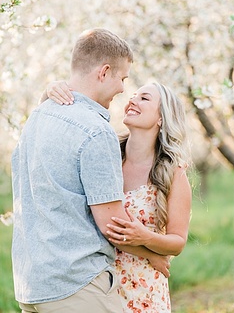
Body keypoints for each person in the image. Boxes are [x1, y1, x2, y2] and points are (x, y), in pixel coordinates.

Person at [11, 28, 168, 313]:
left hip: (31, 285)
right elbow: (112, 224)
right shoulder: (96, 131)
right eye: (122, 79)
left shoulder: (37, 116)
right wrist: (152, 256)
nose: (123, 89)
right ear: (104, 72)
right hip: (76, 288)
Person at [45, 81, 193, 313]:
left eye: (144, 98)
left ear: (161, 118)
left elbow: (177, 242)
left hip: (143, 288)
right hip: (96, 283)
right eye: (133, 96)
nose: (132, 100)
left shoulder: (172, 173)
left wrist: (146, 238)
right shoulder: (104, 154)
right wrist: (49, 91)